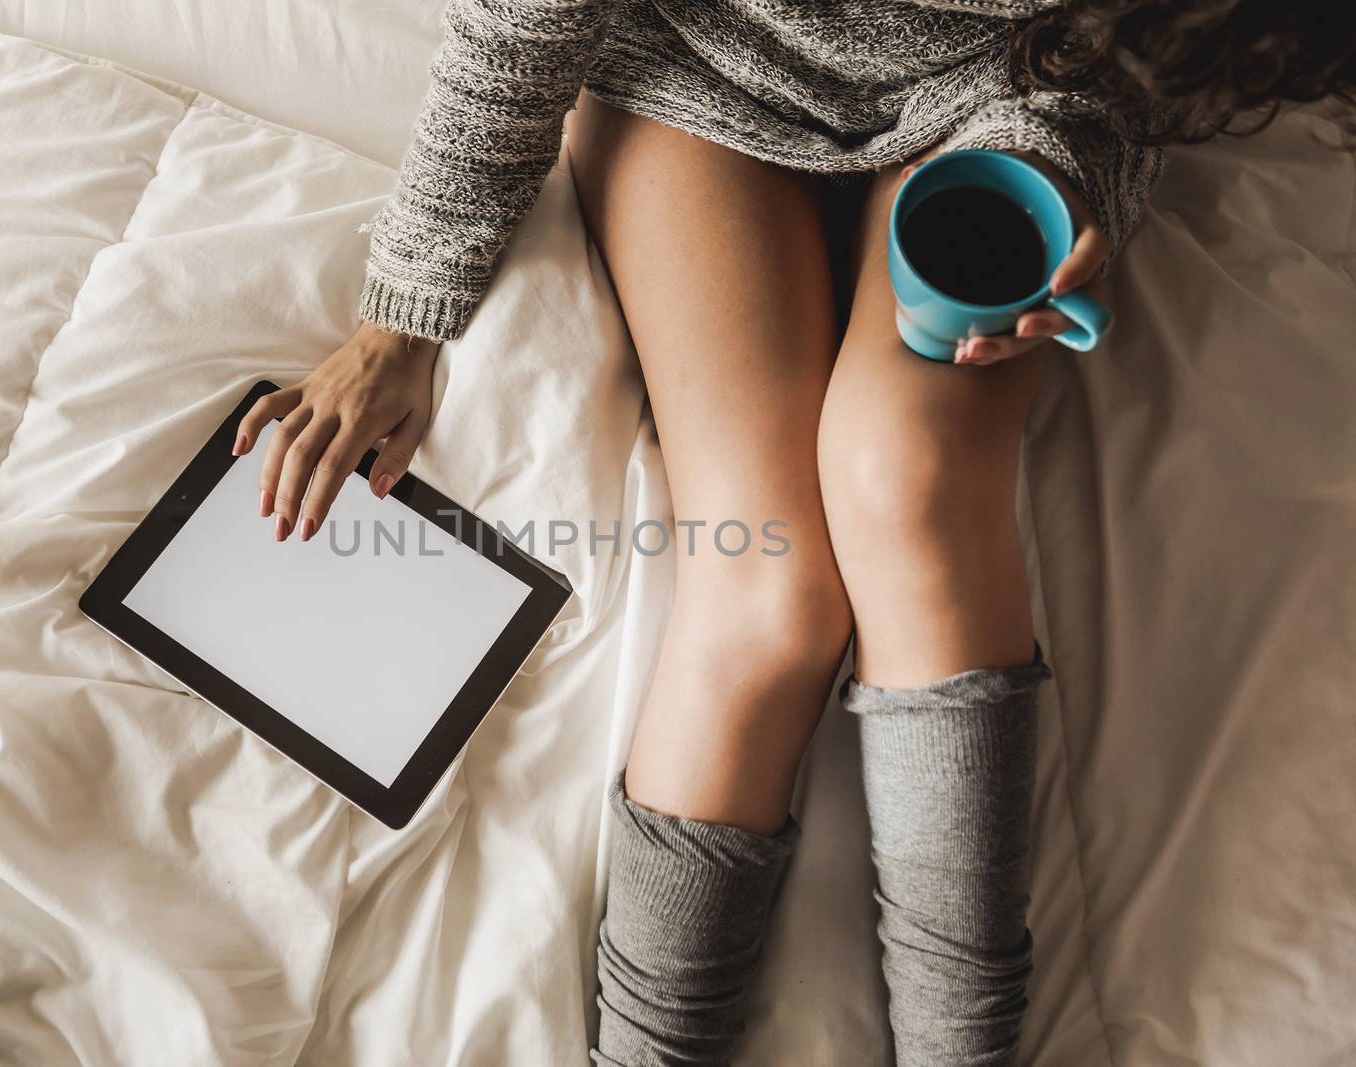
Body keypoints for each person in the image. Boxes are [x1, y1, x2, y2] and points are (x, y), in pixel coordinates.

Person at [231, 1, 1356, 1062]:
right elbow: (521, 24)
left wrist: (1076, 190)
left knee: (908, 477)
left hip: (1012, 88)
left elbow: (1155, 52)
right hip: (701, 66)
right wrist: (405, 312)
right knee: (766, 587)